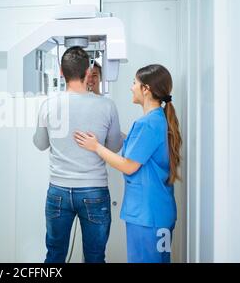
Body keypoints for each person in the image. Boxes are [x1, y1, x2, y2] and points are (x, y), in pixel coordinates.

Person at [74, 64, 182, 263]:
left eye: (134, 83)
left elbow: (129, 165)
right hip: (156, 212)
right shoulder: (155, 120)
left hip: (147, 216)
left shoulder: (148, 123)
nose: (131, 87)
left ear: (146, 89)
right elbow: (136, 146)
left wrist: (96, 146)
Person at [33, 47, 123, 263]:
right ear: (88, 71)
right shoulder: (107, 106)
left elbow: (40, 144)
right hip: (94, 191)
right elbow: (115, 146)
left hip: (58, 192)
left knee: (54, 255)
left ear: (62, 73)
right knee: (94, 257)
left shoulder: (48, 105)